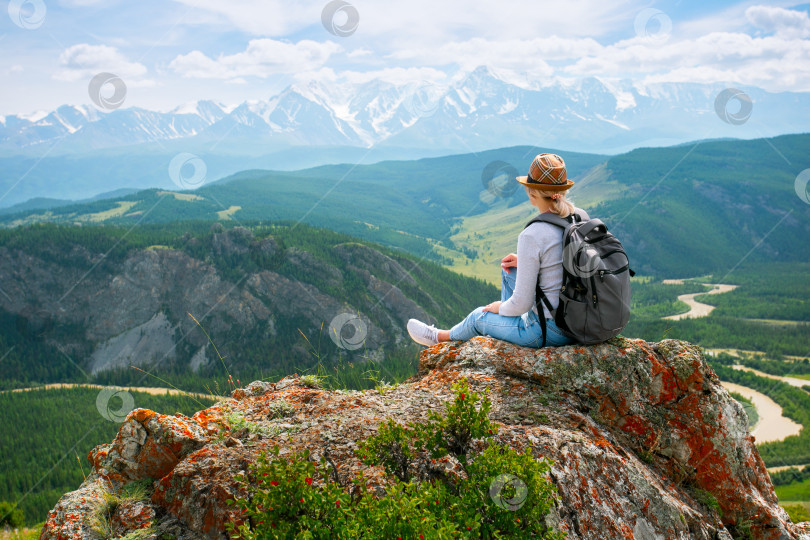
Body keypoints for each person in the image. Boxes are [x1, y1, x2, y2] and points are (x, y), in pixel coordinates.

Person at [407, 153, 589, 348]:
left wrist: (499, 308)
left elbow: (522, 304)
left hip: (550, 331)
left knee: (480, 316)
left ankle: (438, 338)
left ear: (531, 192)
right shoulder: (580, 216)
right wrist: (527, 261)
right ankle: (506, 326)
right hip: (580, 321)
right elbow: (568, 262)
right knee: (510, 269)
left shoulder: (532, 234)